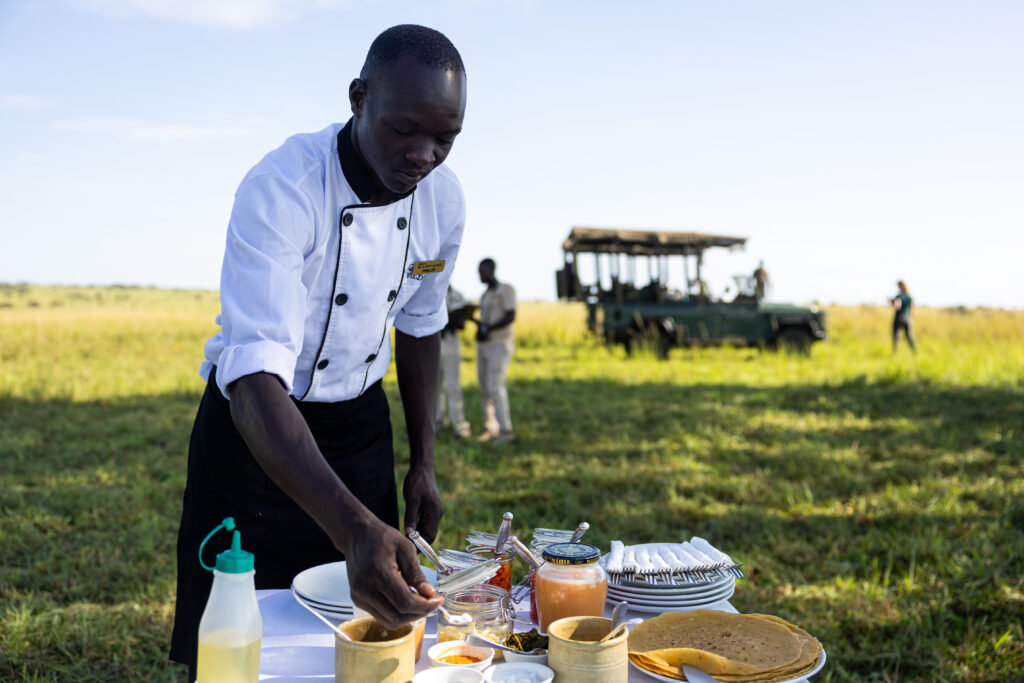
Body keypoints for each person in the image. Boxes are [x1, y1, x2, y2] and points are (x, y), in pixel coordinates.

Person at [169, 25, 468, 676]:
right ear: (359, 99)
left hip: (359, 428)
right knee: (234, 646)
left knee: (364, 633)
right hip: (257, 430)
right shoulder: (283, 187)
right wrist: (352, 526)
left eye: (444, 138)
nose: (423, 154)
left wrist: (422, 462)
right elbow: (251, 378)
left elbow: (420, 322)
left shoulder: (444, 201)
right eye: (403, 130)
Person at [472, 258, 516, 443]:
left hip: (499, 344)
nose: (480, 275)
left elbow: (510, 315)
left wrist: (488, 328)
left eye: (483, 272)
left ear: (491, 270)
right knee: (485, 387)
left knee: (496, 387)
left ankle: (506, 430)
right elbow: (485, 321)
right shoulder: (485, 295)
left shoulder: (506, 290)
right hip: (484, 345)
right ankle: (491, 427)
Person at [437, 285, 472, 438]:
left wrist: (458, 318)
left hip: (451, 342)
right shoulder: (432, 290)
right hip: (433, 341)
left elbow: (463, 324)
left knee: (453, 386)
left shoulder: (457, 295)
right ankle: (437, 421)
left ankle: (459, 424)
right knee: (434, 386)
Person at [891, 280, 917, 353]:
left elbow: (897, 306)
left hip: (899, 317)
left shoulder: (899, 296)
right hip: (908, 318)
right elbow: (913, 308)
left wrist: (892, 302)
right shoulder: (909, 296)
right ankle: (914, 351)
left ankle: (894, 352)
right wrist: (912, 318)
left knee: (896, 335)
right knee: (909, 336)